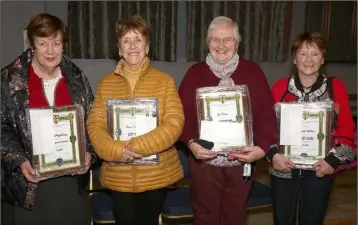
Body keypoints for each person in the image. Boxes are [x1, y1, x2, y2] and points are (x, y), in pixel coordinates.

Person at [178, 16, 279, 225]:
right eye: (215, 39)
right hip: (205, 162)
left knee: (234, 216)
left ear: (237, 43)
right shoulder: (194, 74)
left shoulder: (253, 72)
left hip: (241, 162)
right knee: (205, 216)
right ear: (208, 43)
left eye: (228, 39)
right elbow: (180, 117)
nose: (221, 45)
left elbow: (266, 117)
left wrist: (262, 149)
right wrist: (191, 144)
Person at [1, 13, 98, 225]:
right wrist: (19, 160)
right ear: (32, 43)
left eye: (56, 43)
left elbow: (93, 122)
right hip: (28, 184)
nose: (50, 51)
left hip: (69, 184)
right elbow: (2, 127)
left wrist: (89, 152)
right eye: (43, 44)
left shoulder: (77, 78)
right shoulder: (10, 79)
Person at [86, 15, 184, 225]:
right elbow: (95, 124)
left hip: (155, 174)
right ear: (119, 49)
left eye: (138, 39)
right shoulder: (106, 83)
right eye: (126, 40)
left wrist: (136, 146)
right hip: (118, 173)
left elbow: (174, 124)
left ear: (147, 47)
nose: (132, 46)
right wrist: (116, 150)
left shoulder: (165, 81)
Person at [267, 32, 357, 225]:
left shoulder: (336, 87)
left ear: (323, 58)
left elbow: (347, 128)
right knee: (282, 220)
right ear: (294, 58)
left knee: (313, 220)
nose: (308, 60)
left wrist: (332, 160)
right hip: (283, 167)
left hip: (320, 169)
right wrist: (274, 155)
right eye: (303, 54)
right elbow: (268, 129)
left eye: (315, 54)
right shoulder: (279, 87)